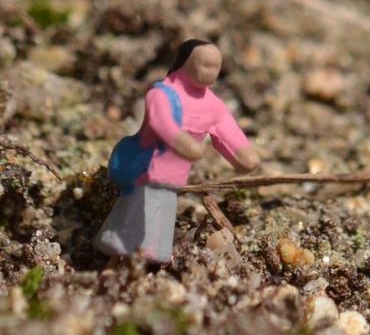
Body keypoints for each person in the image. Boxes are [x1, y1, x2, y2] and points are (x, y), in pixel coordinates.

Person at [96, 39, 260, 262]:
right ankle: (115, 263)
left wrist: (245, 155)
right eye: (205, 64)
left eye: (216, 66)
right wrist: (185, 144)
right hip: (147, 171)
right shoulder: (162, 93)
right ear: (187, 62)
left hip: (173, 180)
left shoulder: (212, 105)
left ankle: (144, 266)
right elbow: (162, 124)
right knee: (130, 227)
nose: (211, 71)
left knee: (158, 229)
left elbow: (228, 132)